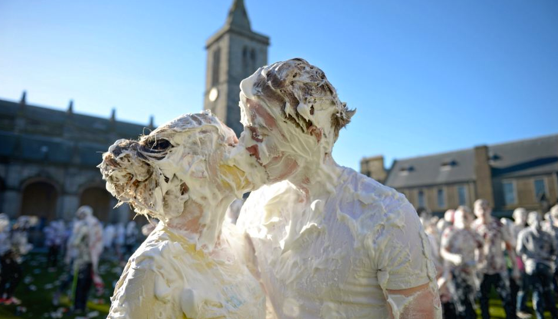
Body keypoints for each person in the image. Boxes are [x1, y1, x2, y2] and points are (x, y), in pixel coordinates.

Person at [235, 58, 441, 318]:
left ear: (313, 135)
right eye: (246, 129)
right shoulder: (255, 207)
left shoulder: (385, 214)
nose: (245, 145)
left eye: (260, 133)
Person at [100, 111, 265, 319]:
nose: (245, 147)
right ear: (193, 167)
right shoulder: (154, 268)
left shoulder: (236, 240)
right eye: (230, 144)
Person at [472, 199, 518, 319]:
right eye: (479, 209)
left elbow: (509, 246)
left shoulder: (498, 225)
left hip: (499, 268)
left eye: (485, 208)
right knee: (483, 300)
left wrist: (515, 267)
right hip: (481, 270)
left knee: (506, 299)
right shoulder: (473, 228)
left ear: (490, 209)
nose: (482, 211)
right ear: (475, 211)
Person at [441, 206, 483, 319]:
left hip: (470, 272)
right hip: (455, 272)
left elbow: (481, 247)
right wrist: (453, 257)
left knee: (471, 301)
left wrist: (479, 260)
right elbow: (443, 251)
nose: (463, 219)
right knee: (460, 302)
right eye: (461, 216)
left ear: (471, 217)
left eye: (466, 216)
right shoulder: (451, 231)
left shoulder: (474, 233)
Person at [517, 211, 558, 319]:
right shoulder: (545, 234)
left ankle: (543, 314)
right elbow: (555, 250)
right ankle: (550, 313)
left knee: (540, 291)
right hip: (540, 265)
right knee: (545, 290)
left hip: (536, 265)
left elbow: (520, 251)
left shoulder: (525, 233)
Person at [71, 206, 104, 314]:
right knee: (86, 284)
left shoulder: (85, 225)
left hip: (83, 259)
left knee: (80, 284)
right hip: (93, 259)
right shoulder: (97, 224)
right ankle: (82, 305)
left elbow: (75, 242)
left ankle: (78, 306)